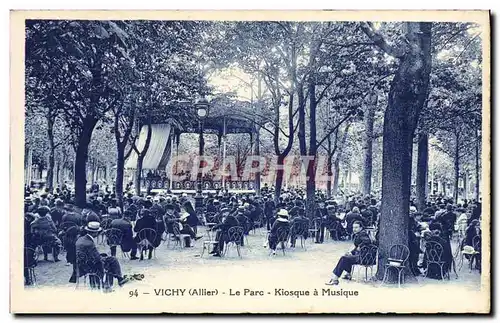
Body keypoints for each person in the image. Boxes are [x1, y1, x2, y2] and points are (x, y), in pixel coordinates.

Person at [70, 222, 130, 288]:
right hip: (89, 267)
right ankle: (110, 285)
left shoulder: (81, 239)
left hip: (80, 265)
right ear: (95, 233)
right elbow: (97, 260)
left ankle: (118, 279)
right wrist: (103, 259)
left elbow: (90, 255)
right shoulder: (89, 243)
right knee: (112, 261)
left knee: (109, 259)